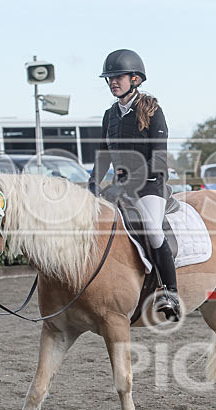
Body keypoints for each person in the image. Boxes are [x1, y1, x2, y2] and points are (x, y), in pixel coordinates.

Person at [88, 49, 179, 321]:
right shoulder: (110, 115)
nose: (113, 82)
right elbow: (103, 156)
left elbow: (158, 158)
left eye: (118, 77)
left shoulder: (153, 111)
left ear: (135, 79)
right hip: (120, 187)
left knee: (152, 229)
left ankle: (170, 291)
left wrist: (125, 185)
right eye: (110, 78)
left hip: (151, 185)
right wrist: (92, 185)